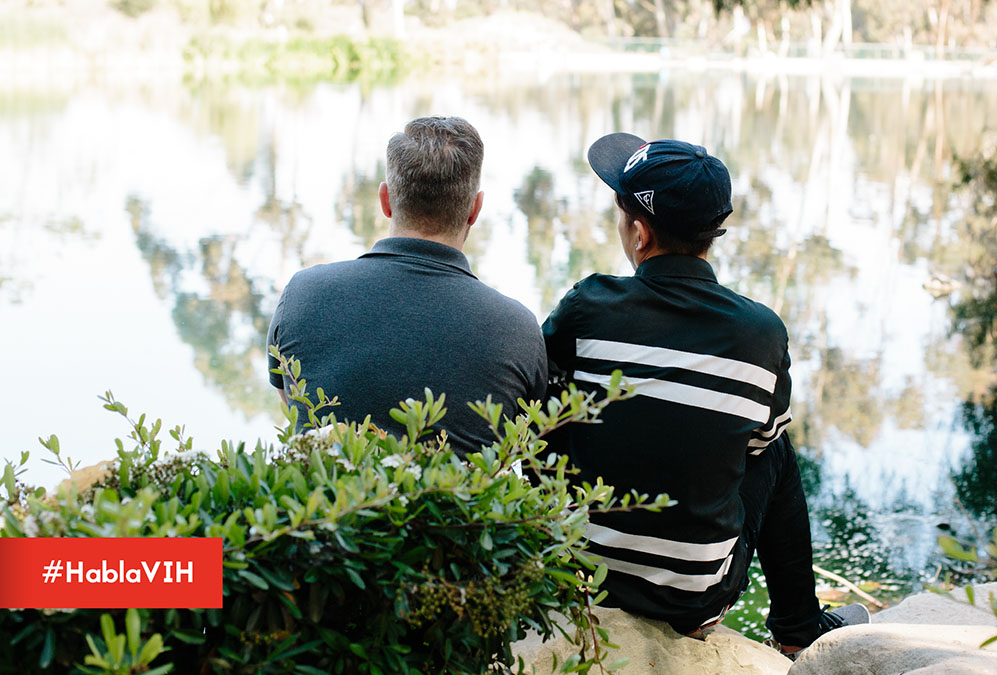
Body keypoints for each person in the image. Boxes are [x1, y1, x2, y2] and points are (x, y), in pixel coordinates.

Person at [542, 133, 869, 656]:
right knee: (776, 449)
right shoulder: (761, 333)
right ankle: (797, 630)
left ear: (640, 233)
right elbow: (759, 447)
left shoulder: (589, 305)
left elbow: (538, 408)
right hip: (695, 599)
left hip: (580, 572)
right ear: (711, 232)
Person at [267, 116, 547, 454]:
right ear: (475, 209)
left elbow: (293, 404)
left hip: (328, 505)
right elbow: (528, 441)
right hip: (461, 507)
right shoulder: (517, 329)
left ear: (385, 201)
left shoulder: (302, 295)